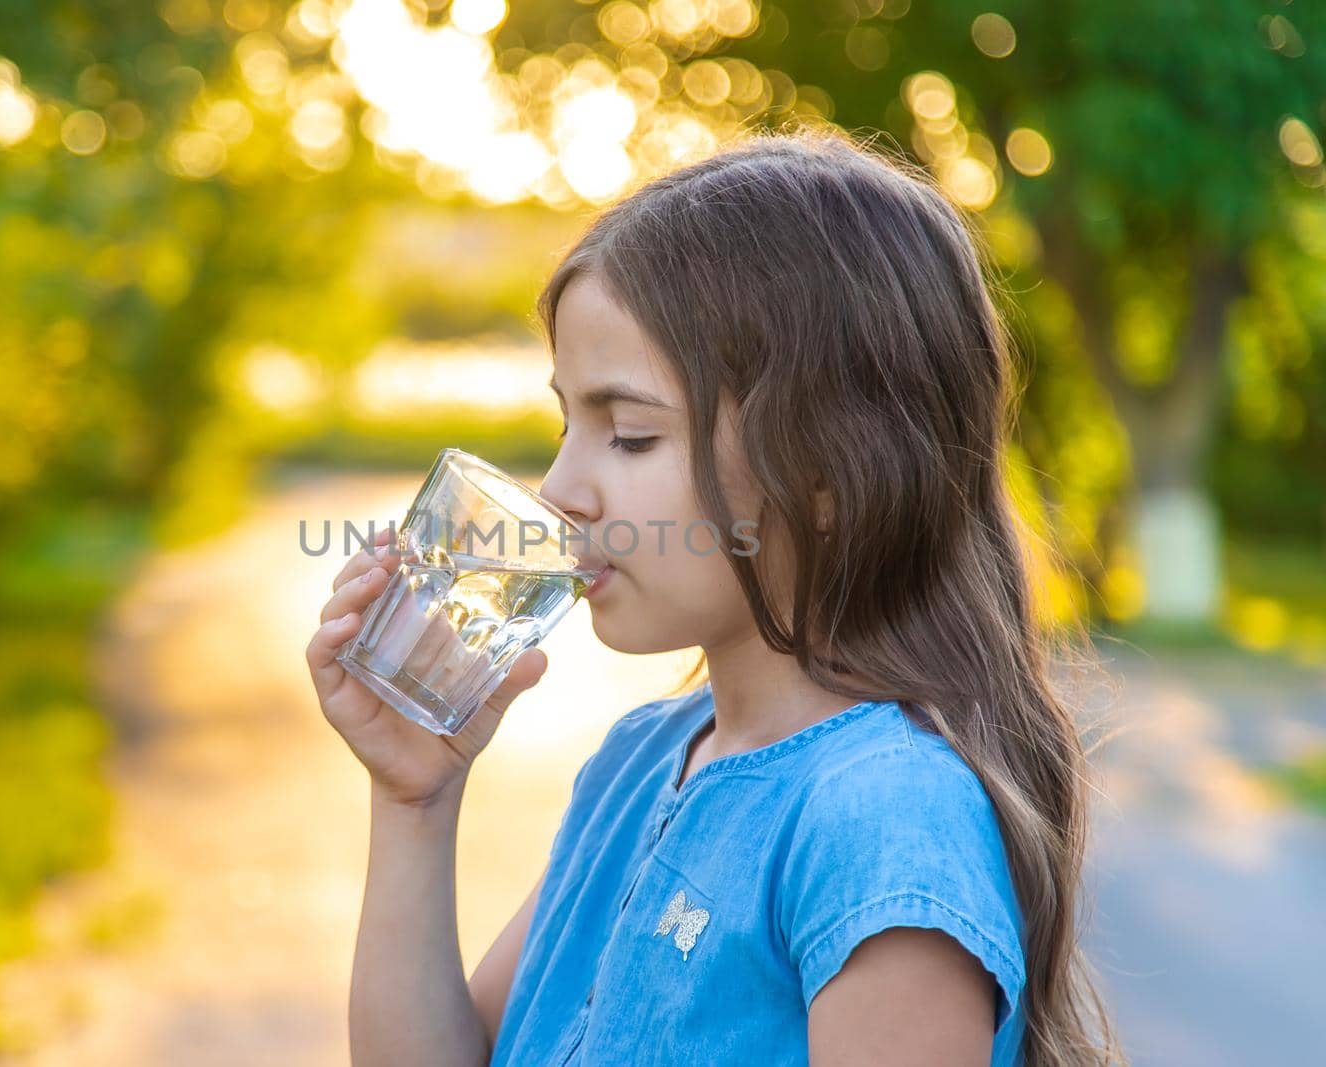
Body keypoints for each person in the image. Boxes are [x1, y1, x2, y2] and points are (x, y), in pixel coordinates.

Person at [305, 126, 1124, 1066]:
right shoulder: (640, 761)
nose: (561, 488)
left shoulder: (880, 818)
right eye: (567, 419)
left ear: (827, 471)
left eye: (632, 434)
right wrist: (413, 801)